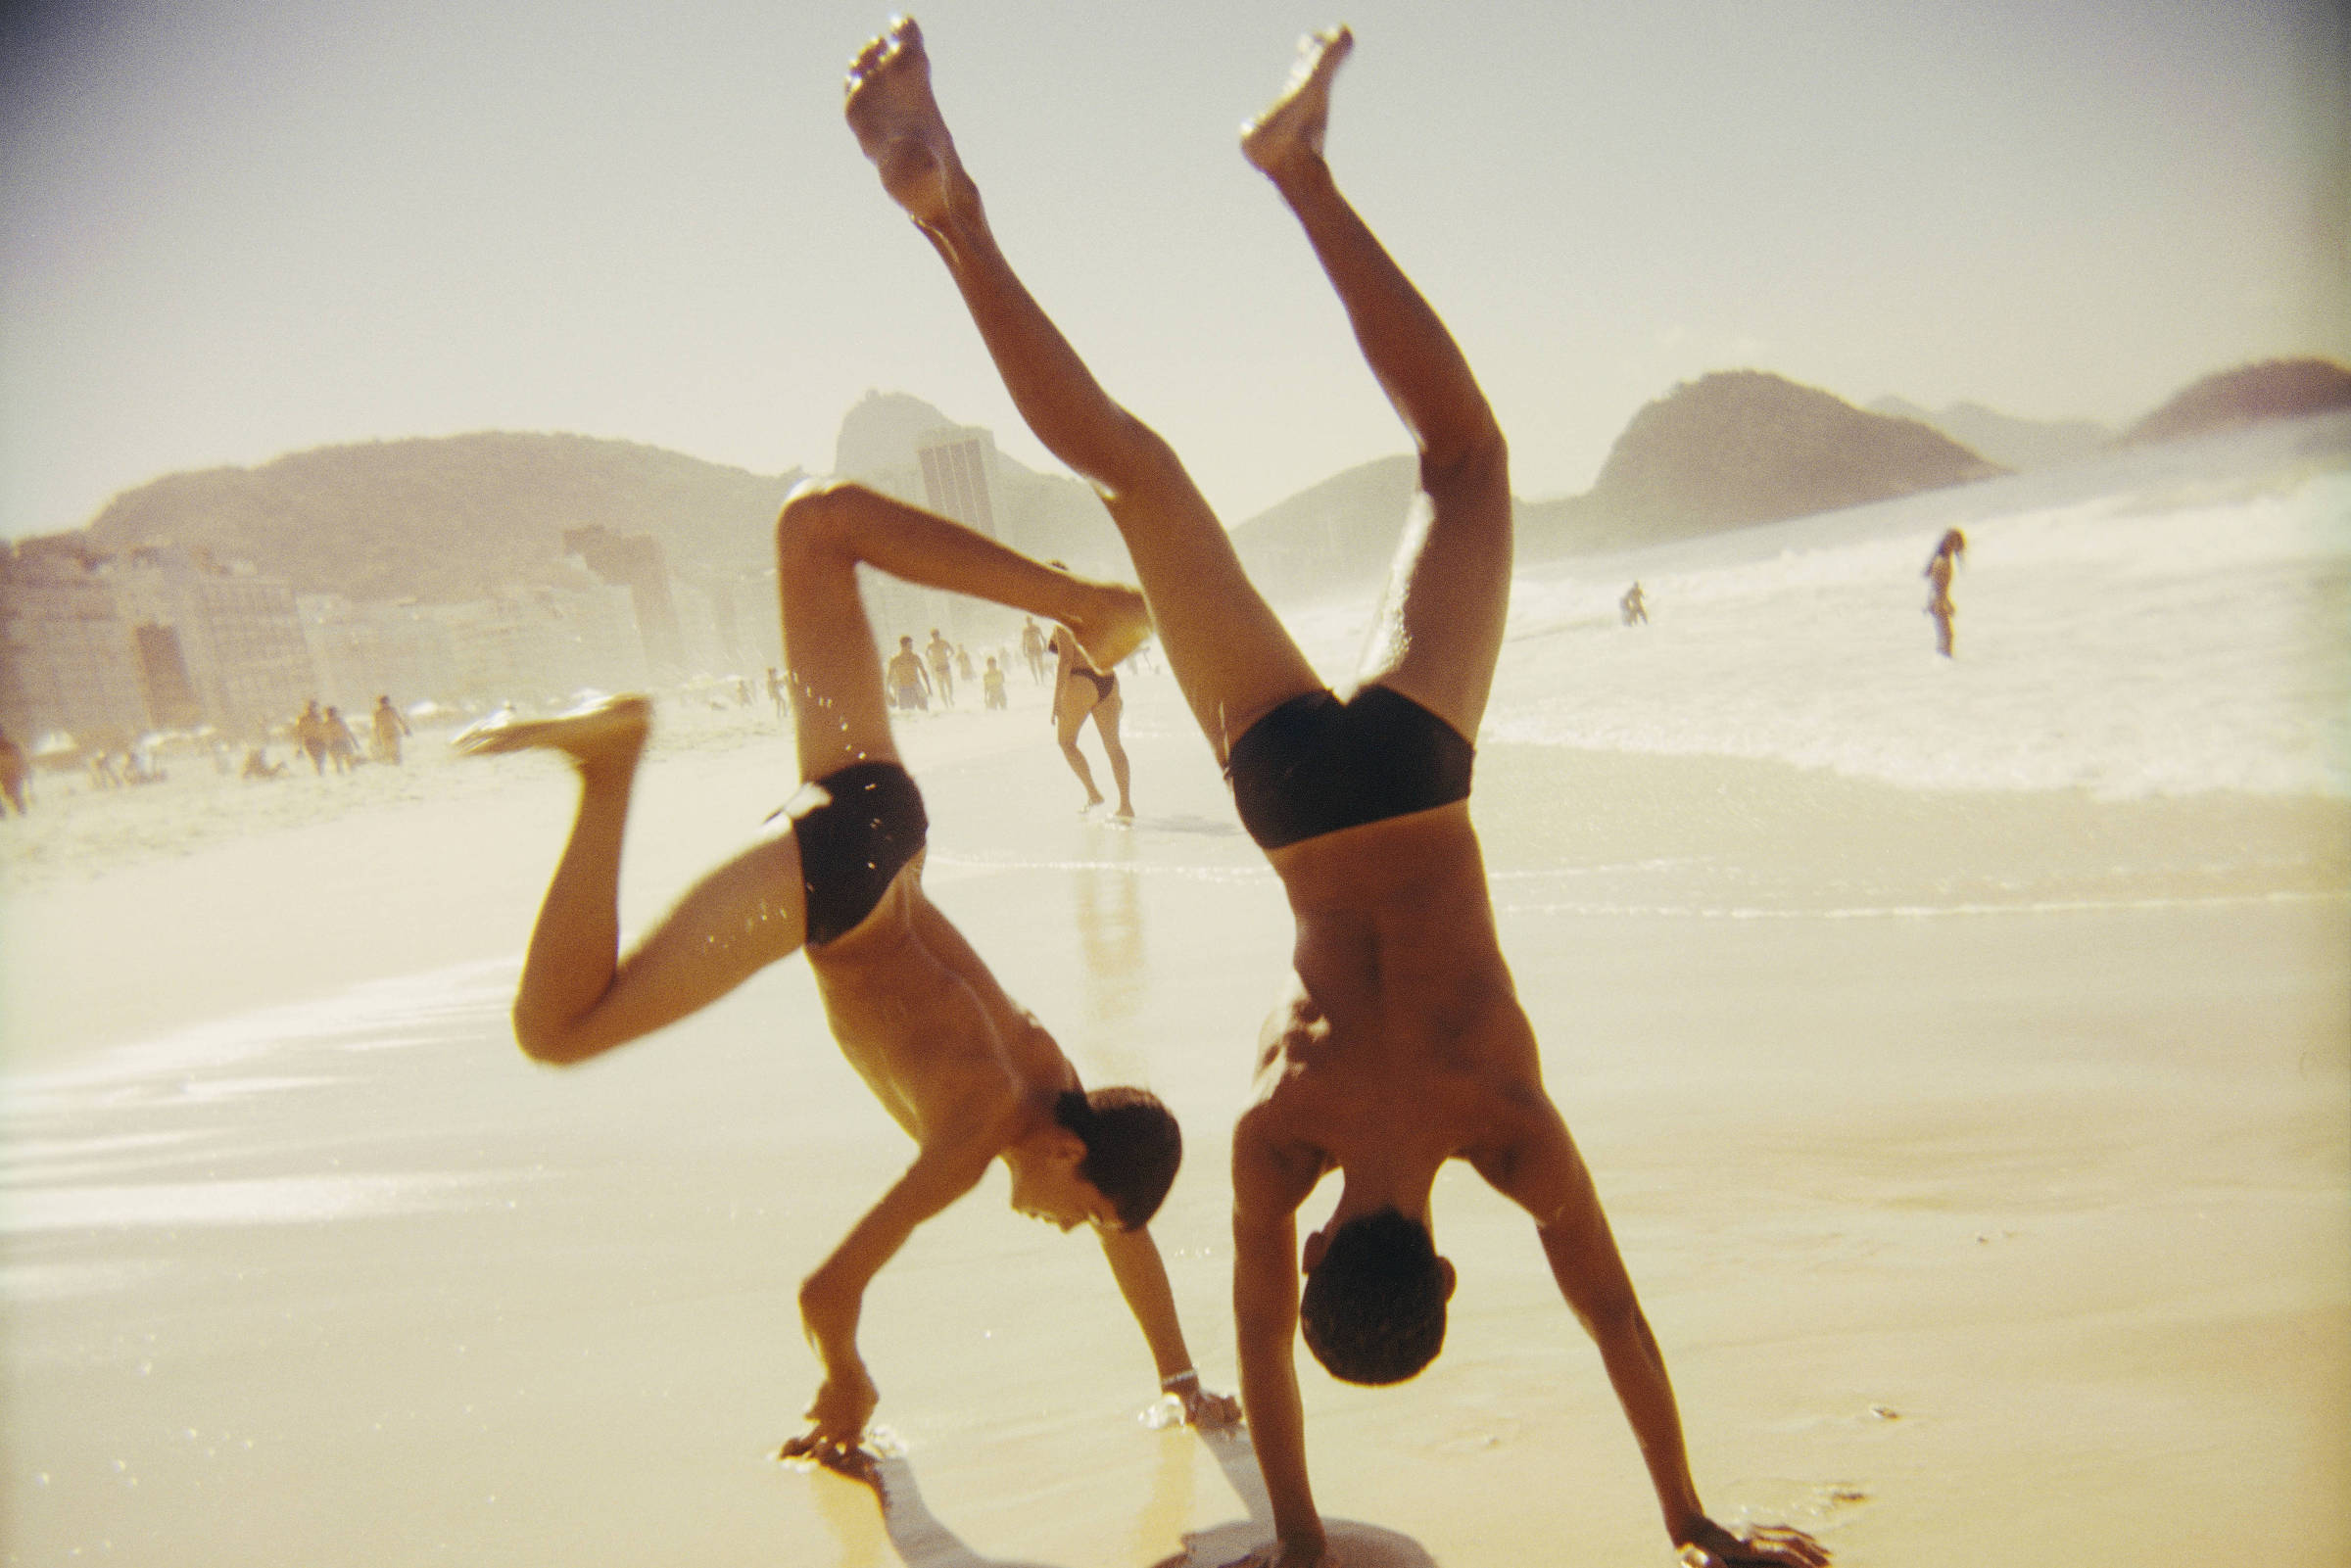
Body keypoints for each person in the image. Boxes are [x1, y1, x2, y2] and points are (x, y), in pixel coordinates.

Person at [844, 21, 1829, 1567]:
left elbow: (1614, 1311)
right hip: (1295, 800)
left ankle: (1299, 173)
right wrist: (1294, 1545)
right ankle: (952, 220)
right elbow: (1250, 1362)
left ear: (1439, 1267)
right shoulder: (1269, 1140)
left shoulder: (1504, 1127)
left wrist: (1693, 1517)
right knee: (1135, 473)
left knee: (1463, 460)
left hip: (1421, 775)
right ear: (1316, 1262)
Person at [458, 478, 1235, 1469]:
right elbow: (826, 1288)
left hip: (888, 825)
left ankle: (1087, 605)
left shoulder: (1053, 1085)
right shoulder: (980, 1128)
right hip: (836, 889)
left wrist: (1178, 1382)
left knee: (815, 525)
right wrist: (846, 1373)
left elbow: (1125, 1227)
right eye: (1078, 1213)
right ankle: (609, 767)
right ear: (1073, 1157)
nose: (1064, 1228)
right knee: (556, 1029)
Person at [1046, 598, 1134, 820]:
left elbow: (1065, 661)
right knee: (1114, 746)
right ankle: (1126, 805)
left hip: (1081, 680)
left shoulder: (1062, 619)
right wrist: (1117, 690)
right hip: (1107, 678)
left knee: (1066, 742)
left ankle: (1093, 793)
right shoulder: (1092, 611)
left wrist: (1056, 699)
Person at [1924, 528, 1964, 657]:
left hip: (1937, 602)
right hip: (1939, 602)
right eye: (1955, 543)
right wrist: (1945, 603)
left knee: (1945, 637)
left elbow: (1935, 586)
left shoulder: (1941, 560)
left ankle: (1943, 667)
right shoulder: (1943, 562)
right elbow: (1938, 587)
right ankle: (1945, 664)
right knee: (1947, 637)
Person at [885, 635, 932, 711]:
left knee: (925, 711)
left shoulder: (915, 657)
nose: (911, 647)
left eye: (911, 645)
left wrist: (928, 686)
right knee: (907, 714)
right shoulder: (895, 659)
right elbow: (890, 675)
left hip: (916, 686)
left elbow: (924, 672)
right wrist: (887, 690)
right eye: (910, 645)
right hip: (903, 689)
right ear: (903, 646)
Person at [371, 695, 411, 765]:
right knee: (388, 750)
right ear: (379, 703)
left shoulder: (392, 710)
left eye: (386, 702)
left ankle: (398, 764)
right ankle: (393, 765)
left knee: (396, 749)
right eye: (383, 703)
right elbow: (375, 725)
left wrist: (405, 729)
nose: (385, 704)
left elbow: (399, 719)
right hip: (384, 734)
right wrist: (376, 737)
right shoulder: (377, 713)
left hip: (394, 732)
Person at [0, 725, 28, 816]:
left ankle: (20, 810)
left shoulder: (10, 746)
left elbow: (19, 759)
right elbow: (20, 759)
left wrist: (22, 770)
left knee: (13, 792)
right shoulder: (11, 745)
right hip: (10, 772)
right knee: (13, 792)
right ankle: (17, 810)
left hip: (11, 773)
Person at [924, 627, 957, 706]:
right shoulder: (930, 644)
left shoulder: (944, 642)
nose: (935, 637)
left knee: (949, 685)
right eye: (934, 635)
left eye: (936, 635)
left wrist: (947, 657)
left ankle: (950, 698)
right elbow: (926, 654)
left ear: (939, 635)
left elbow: (952, 651)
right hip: (938, 667)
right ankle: (946, 704)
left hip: (945, 665)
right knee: (941, 688)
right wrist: (932, 660)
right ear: (932, 636)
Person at [295, 699, 329, 775]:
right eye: (312, 707)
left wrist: (327, 739)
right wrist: (299, 746)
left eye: (315, 707)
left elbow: (324, 729)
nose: (314, 709)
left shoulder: (319, 717)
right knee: (316, 757)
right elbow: (299, 732)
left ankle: (320, 770)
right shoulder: (302, 719)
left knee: (321, 757)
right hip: (309, 741)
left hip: (320, 740)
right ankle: (319, 771)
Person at [322, 706, 360, 773]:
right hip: (336, 743)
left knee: (348, 761)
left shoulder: (338, 721)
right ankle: (343, 777)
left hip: (342, 742)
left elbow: (348, 732)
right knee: (339, 763)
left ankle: (351, 775)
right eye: (330, 713)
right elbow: (324, 736)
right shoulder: (326, 724)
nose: (332, 715)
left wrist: (355, 742)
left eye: (333, 713)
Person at [1019, 616, 1049, 684]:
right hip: (1030, 649)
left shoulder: (1036, 628)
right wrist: (1023, 651)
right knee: (1032, 665)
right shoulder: (1025, 630)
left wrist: (1045, 647)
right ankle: (1036, 680)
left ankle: (1042, 679)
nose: (1028, 622)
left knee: (1040, 664)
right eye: (1027, 621)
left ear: (1031, 620)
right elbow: (1023, 641)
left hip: (1038, 648)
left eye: (1029, 620)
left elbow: (1043, 637)